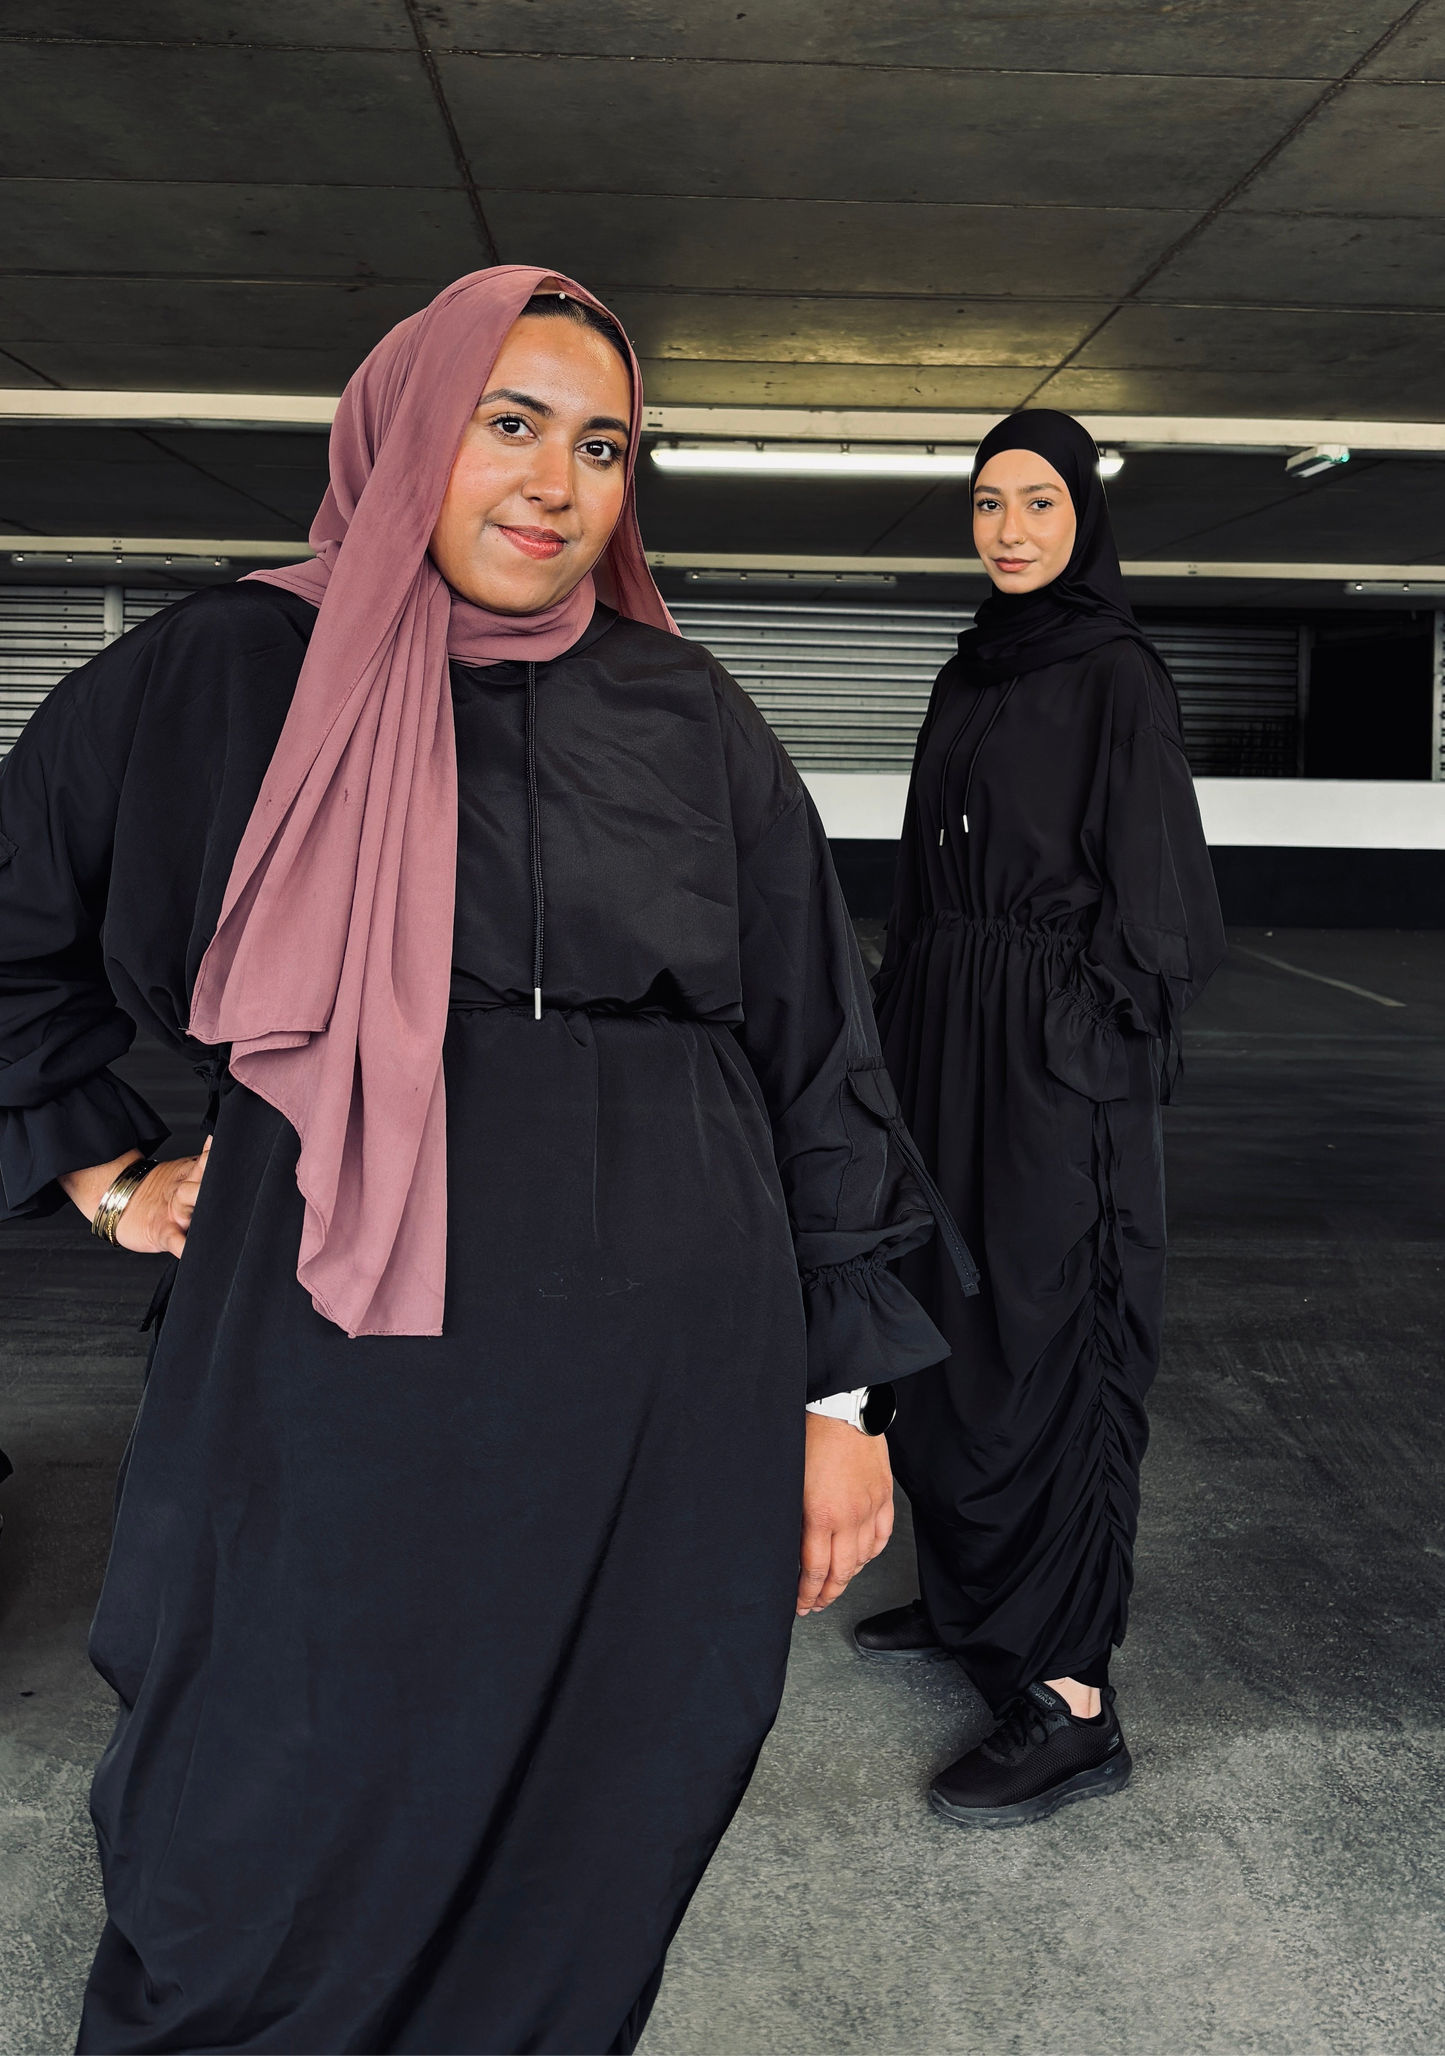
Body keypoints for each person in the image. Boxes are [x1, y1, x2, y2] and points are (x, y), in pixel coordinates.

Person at [0, 267, 967, 2053]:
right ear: (403, 432)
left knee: (607, 1794)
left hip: (664, 1363)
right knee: (259, 1799)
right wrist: (109, 1177)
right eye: (508, 422)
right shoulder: (225, 674)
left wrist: (844, 1406)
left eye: (603, 446)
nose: (557, 482)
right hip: (330, 1359)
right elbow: (12, 930)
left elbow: (819, 1050)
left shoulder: (683, 709)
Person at [858, 410, 1225, 1829]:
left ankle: (1071, 1699)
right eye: (988, 503)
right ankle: (972, 1599)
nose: (1010, 530)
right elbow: (924, 869)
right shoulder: (974, 668)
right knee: (950, 1316)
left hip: (1050, 1064)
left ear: (1084, 518)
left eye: (1040, 503)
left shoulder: (1116, 673)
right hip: (947, 1037)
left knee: (1051, 1333)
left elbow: (1160, 902)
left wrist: (1071, 1041)